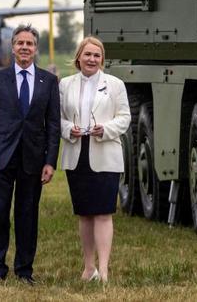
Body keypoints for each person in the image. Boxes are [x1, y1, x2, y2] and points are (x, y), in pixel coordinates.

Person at [0, 24, 60, 284]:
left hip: (34, 160)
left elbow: (54, 125)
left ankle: (24, 270)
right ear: (12, 47)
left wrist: (50, 161)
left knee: (27, 215)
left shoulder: (48, 81)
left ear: (36, 49)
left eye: (30, 43)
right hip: (1, 158)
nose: (25, 47)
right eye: (20, 43)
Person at [59, 36, 129, 283]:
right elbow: (57, 118)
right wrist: (69, 129)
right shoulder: (65, 85)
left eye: (97, 55)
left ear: (102, 59)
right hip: (77, 154)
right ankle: (89, 268)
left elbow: (124, 117)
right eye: (87, 54)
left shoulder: (115, 84)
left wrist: (105, 129)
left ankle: (105, 270)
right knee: (85, 214)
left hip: (105, 153)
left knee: (103, 213)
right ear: (79, 57)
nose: (92, 59)